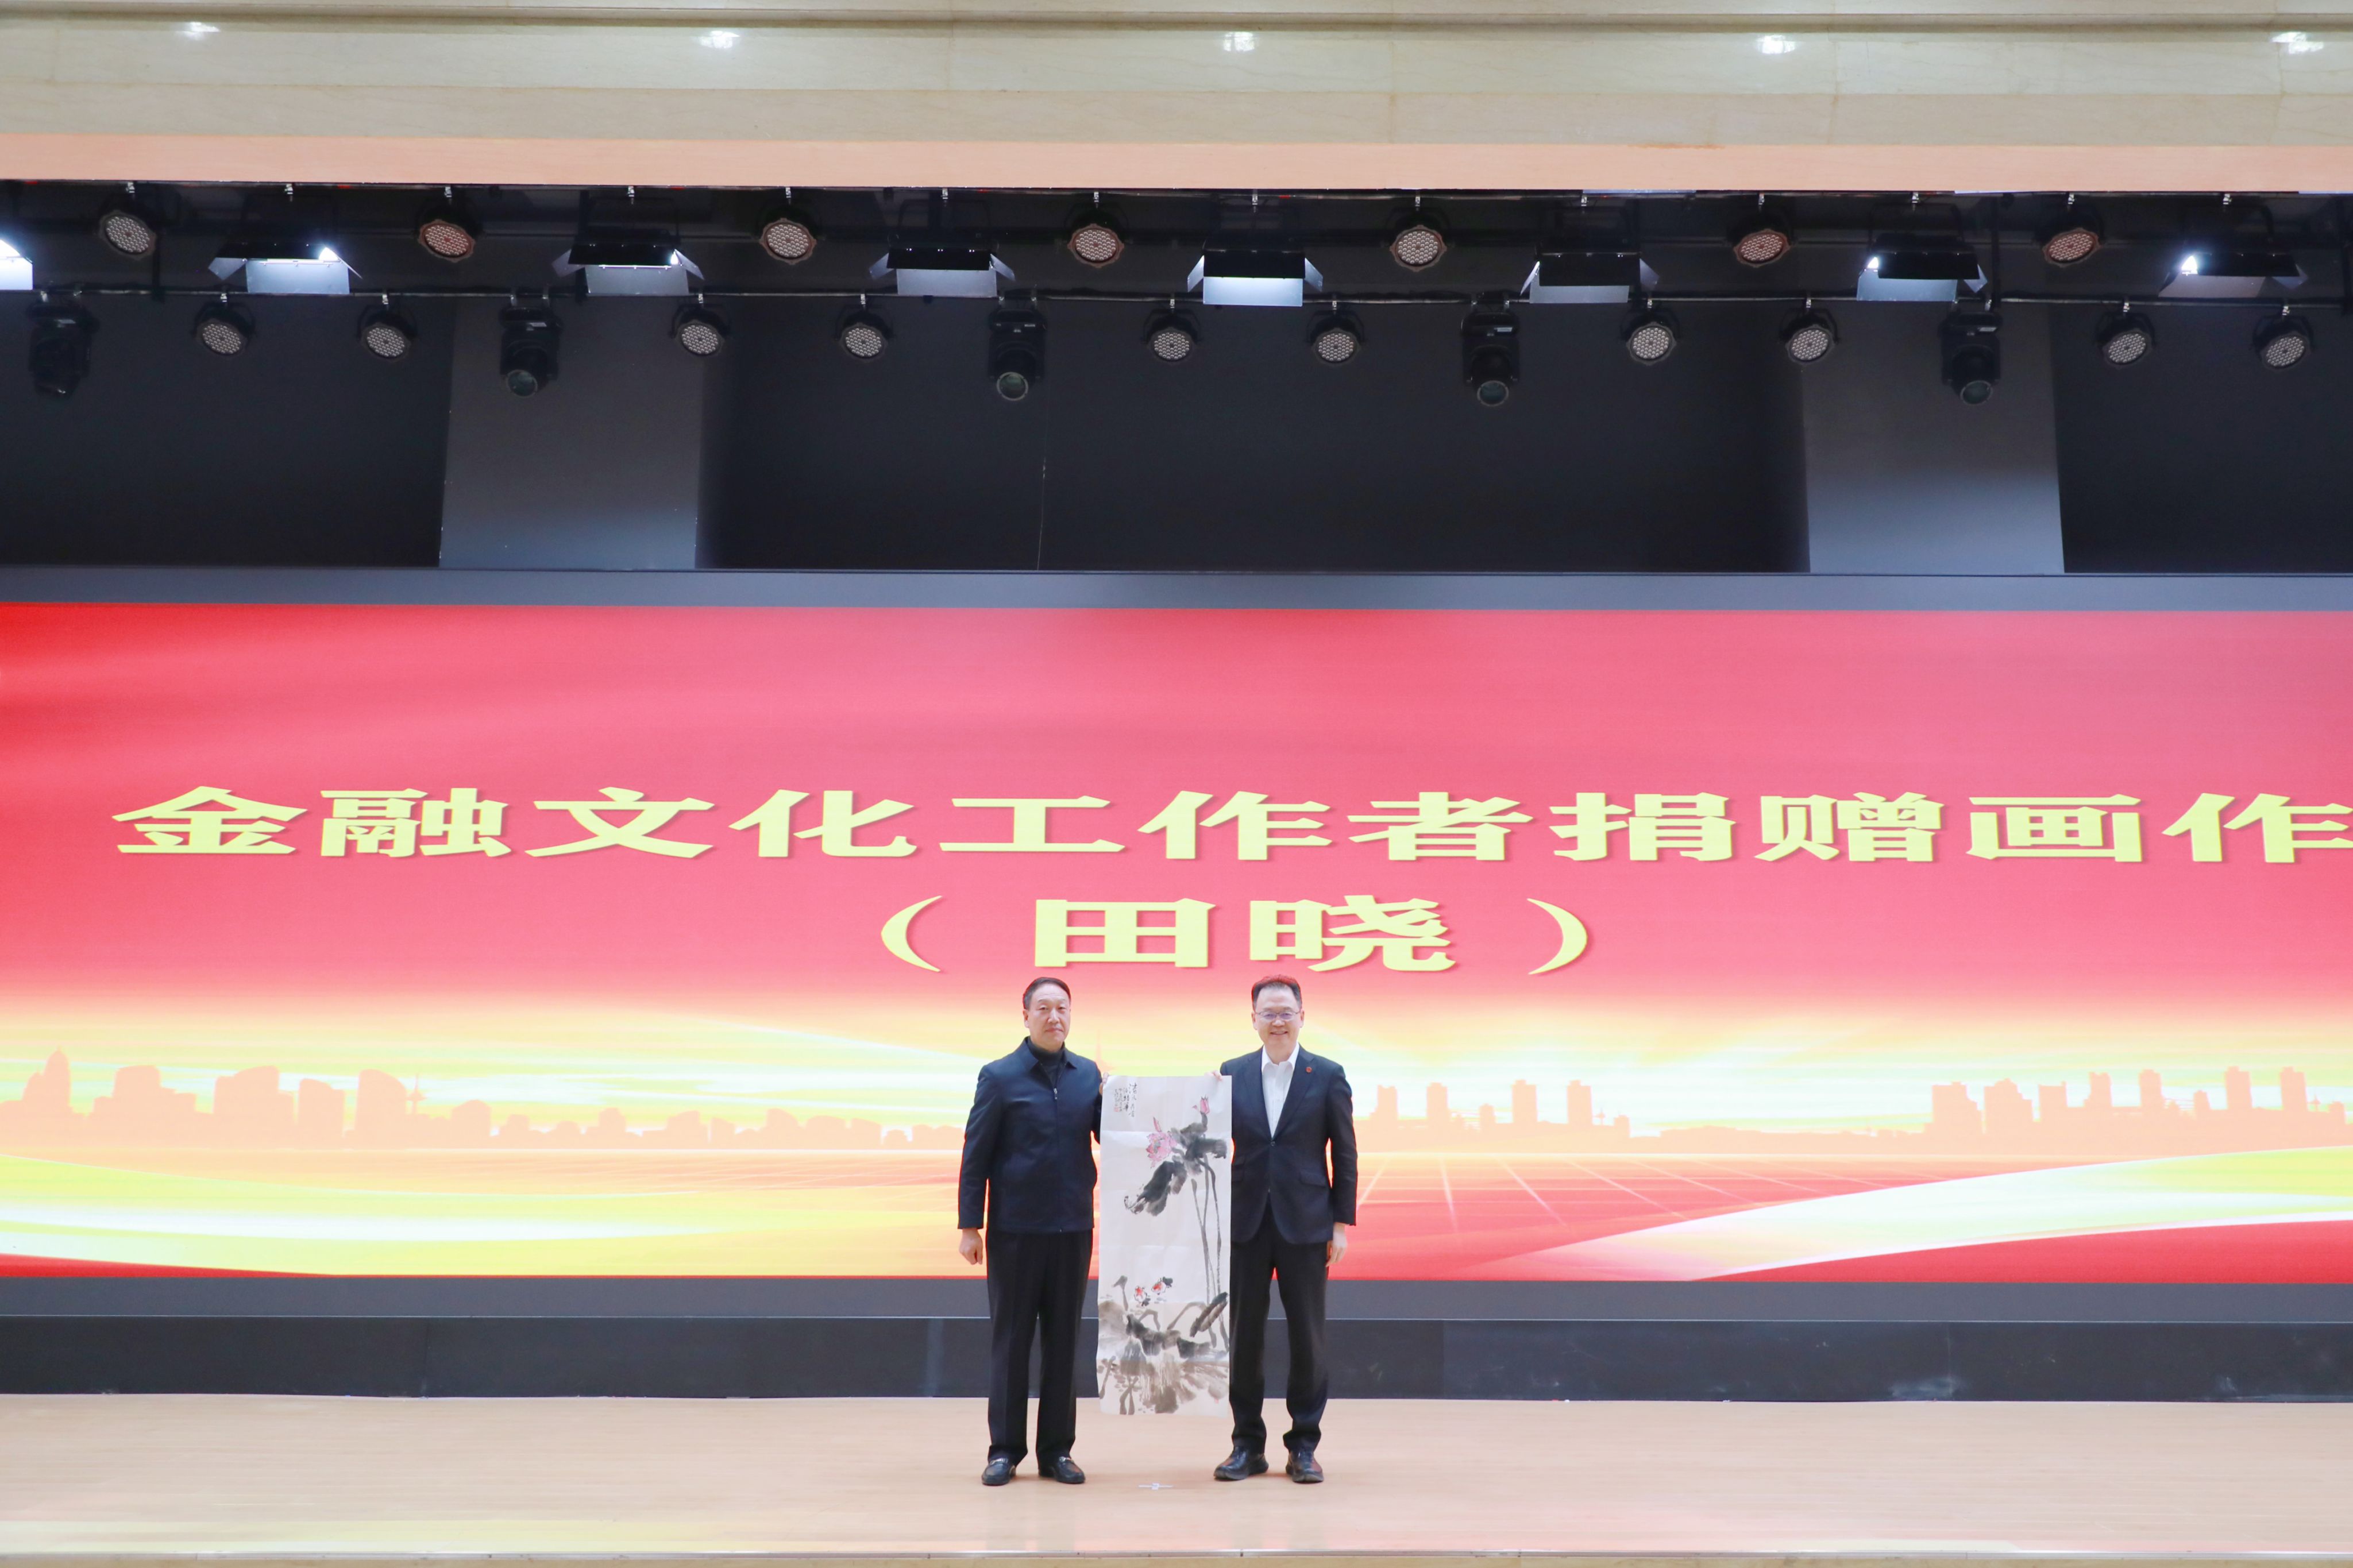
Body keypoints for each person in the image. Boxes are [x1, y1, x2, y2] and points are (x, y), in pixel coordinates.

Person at [957, 975, 1101, 1488]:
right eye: (1044, 1008)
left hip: (1073, 1229)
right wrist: (970, 1226)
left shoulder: (1088, 1075)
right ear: (1026, 1016)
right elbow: (976, 1154)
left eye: (1062, 1008)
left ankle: (1057, 1452)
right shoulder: (999, 1077)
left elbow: (1119, 1135)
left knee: (1064, 1343)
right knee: (1012, 1341)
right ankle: (1005, 1451)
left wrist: (1187, 1105)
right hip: (1015, 1231)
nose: (1054, 1017)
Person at [1214, 974, 1356, 1485]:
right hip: (1245, 1223)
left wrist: (1341, 1223)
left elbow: (1344, 1153)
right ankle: (1246, 1446)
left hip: (1307, 1224)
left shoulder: (1328, 1074)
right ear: (1253, 1019)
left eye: (1286, 1013)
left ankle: (1304, 1447)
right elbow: (1202, 1142)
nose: (1277, 1022)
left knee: (1308, 1338)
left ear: (1302, 1017)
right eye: (1268, 1013)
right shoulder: (1230, 1074)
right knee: (1243, 1339)